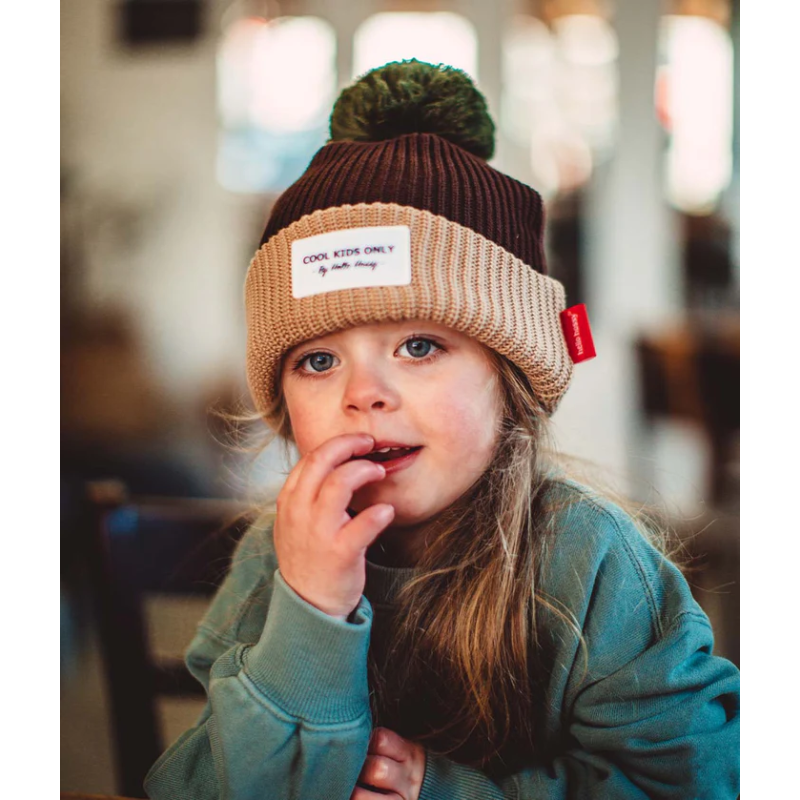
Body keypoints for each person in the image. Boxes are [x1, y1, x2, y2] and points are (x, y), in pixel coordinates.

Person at [145, 59, 740, 800]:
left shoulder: (593, 566)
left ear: (510, 376)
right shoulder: (277, 557)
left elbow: (692, 785)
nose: (364, 395)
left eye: (419, 346)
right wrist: (309, 615)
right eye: (319, 360)